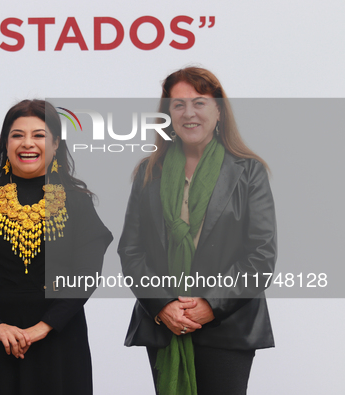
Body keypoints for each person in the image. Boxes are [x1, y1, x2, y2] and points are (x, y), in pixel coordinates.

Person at [118, 67, 276, 395]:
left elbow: (261, 255)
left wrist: (210, 304)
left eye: (199, 102)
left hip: (228, 326)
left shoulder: (248, 172)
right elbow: (131, 251)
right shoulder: (148, 173)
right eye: (178, 105)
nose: (189, 113)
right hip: (165, 324)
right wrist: (163, 305)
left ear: (219, 110)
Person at [0, 99, 112, 395]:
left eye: (39, 135)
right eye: (17, 134)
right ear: (6, 143)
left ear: (56, 143)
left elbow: (86, 273)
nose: (28, 143)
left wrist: (43, 328)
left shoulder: (76, 201)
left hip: (59, 340)